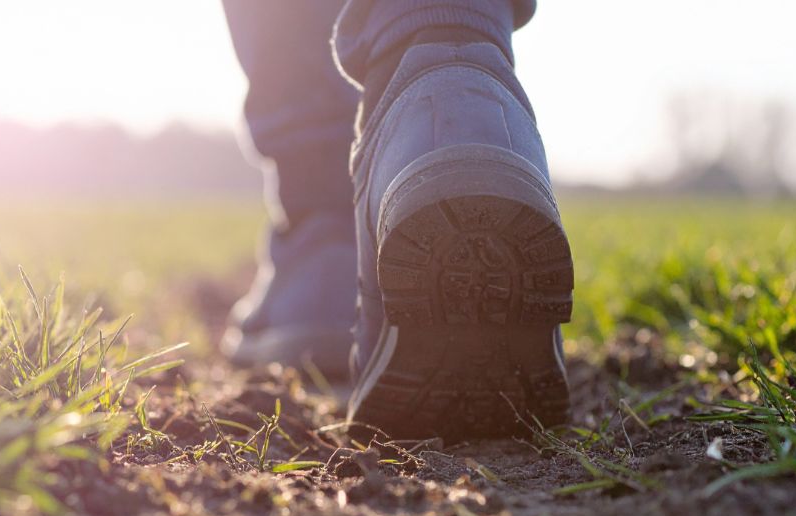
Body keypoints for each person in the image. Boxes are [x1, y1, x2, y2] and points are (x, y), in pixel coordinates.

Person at [220, 1, 573, 441]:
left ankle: (324, 237)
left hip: (331, 200)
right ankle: (475, 76)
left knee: (325, 220)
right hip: (496, 104)